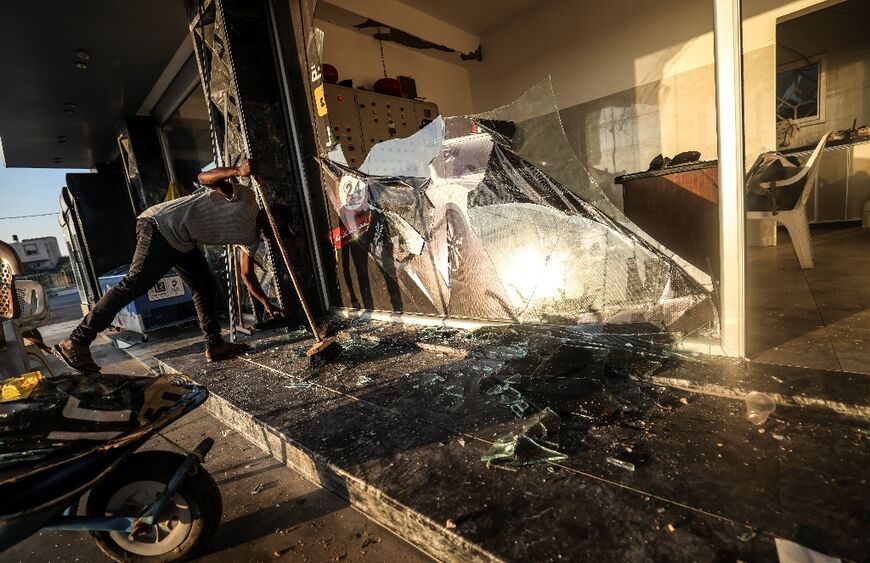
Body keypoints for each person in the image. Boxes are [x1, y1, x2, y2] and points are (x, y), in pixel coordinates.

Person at [54, 159, 284, 373]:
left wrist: (267, 304)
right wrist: (237, 171)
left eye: (277, 236)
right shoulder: (246, 198)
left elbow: (247, 274)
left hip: (183, 239)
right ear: (271, 215)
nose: (274, 235)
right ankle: (75, 341)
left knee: (204, 286)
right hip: (160, 224)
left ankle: (215, 345)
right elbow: (203, 178)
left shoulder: (252, 238)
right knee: (134, 284)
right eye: (277, 229)